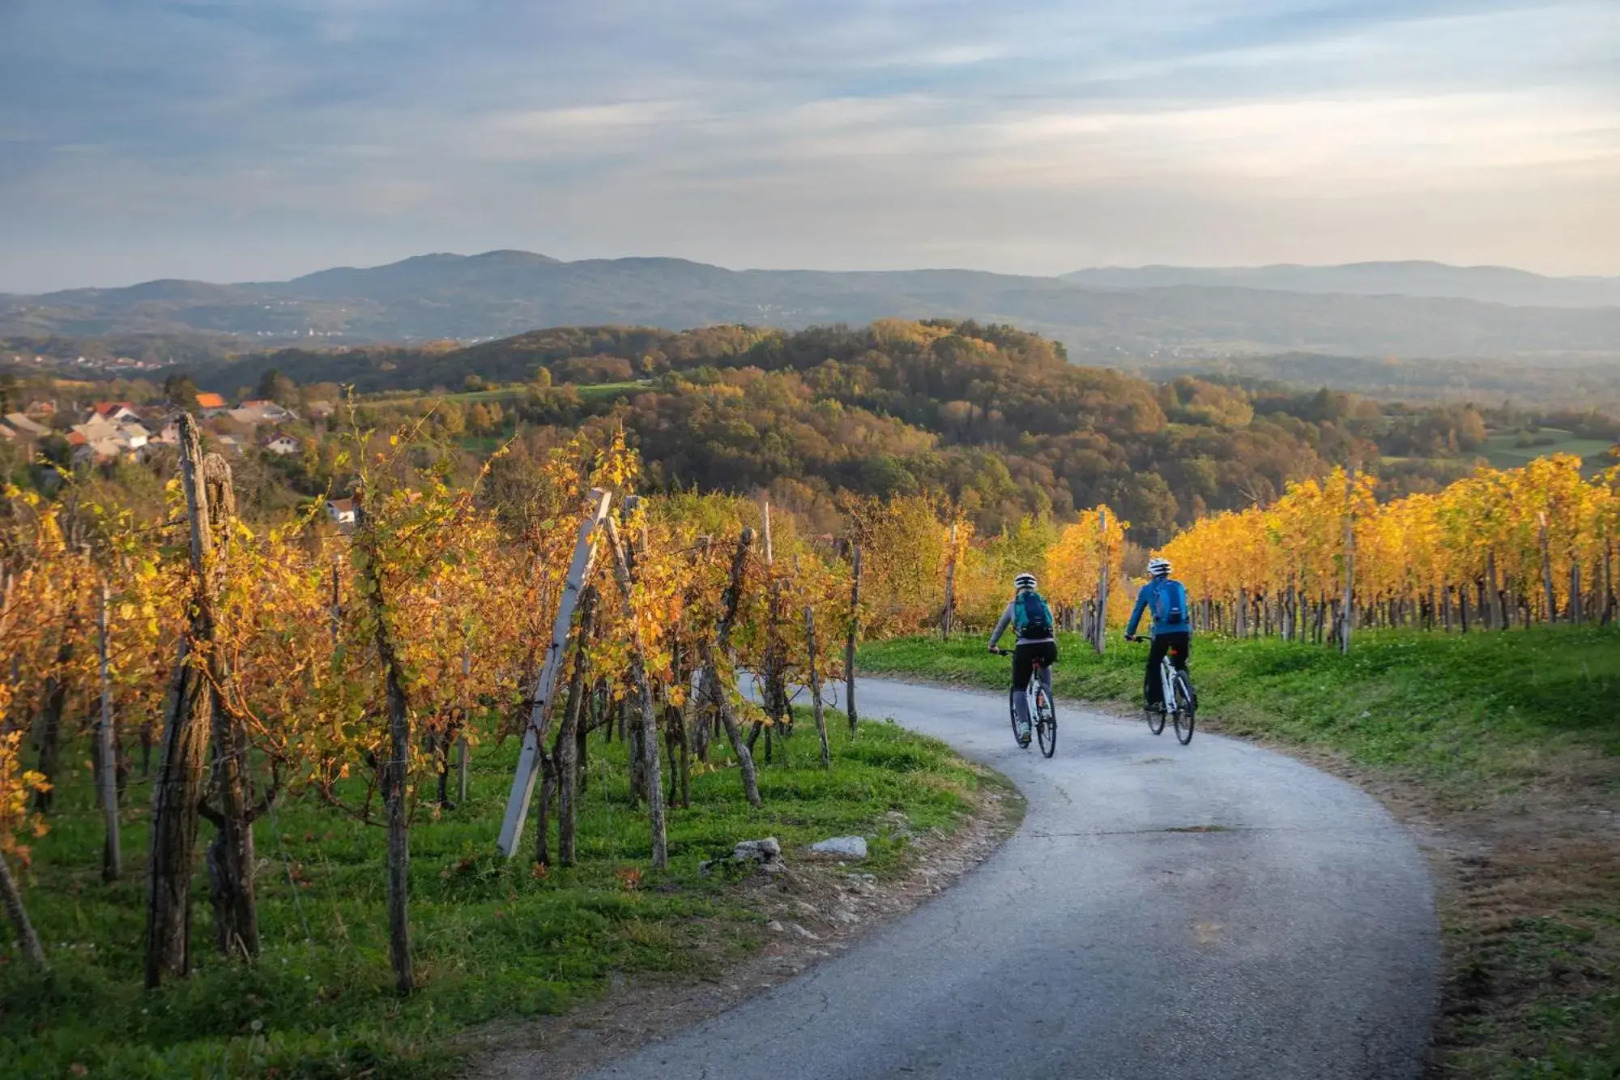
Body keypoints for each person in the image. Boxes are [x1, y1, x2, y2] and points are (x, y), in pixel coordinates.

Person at [987, 572, 1057, 746]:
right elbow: (1051, 627)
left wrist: (992, 645)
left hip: (1024, 648)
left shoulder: (1014, 605)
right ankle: (1045, 700)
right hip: (1048, 646)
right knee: (1045, 666)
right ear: (1034, 587)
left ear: (1016, 587)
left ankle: (1025, 727)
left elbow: (1001, 626)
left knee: (1019, 688)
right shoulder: (1043, 603)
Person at [1124, 557, 1193, 712]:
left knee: (1153, 665)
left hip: (1162, 634)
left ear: (1151, 573)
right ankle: (1189, 699)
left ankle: (1155, 701)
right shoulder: (1179, 586)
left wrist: (1130, 633)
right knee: (1180, 663)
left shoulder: (1148, 590)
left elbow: (1137, 613)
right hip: (1183, 632)